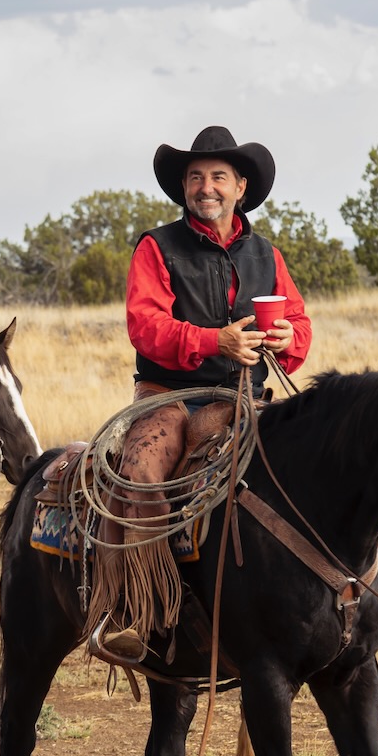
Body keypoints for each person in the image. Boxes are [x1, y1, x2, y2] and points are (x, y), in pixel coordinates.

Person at [93, 126, 312, 663]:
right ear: (184, 188)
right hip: (165, 394)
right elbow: (145, 326)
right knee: (142, 471)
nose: (205, 186)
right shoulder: (156, 246)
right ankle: (135, 611)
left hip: (239, 396)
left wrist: (287, 339)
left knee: (289, 473)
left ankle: (284, 601)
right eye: (195, 177)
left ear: (240, 186)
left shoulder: (268, 255)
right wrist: (215, 340)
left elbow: (299, 323)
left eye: (217, 176)